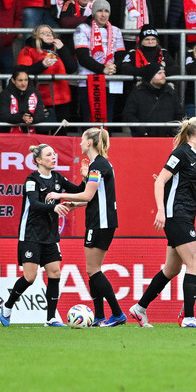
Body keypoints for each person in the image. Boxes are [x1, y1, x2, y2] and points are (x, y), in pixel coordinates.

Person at [128, 117, 196, 328]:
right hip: (176, 214)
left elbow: (186, 183)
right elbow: (161, 180)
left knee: (172, 269)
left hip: (184, 214)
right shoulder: (181, 152)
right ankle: (188, 318)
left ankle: (139, 308)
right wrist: (161, 210)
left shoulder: (195, 157)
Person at [44, 128, 126, 327]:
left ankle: (117, 313)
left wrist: (59, 196)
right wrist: (75, 204)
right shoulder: (97, 166)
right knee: (92, 270)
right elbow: (94, 198)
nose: (80, 143)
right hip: (99, 221)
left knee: (93, 270)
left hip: (101, 223)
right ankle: (99, 316)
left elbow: (87, 195)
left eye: (82, 139)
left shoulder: (98, 166)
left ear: (90, 142)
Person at [0, 143, 81, 327]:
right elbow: (35, 204)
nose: (54, 157)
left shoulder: (58, 178)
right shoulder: (32, 180)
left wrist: (87, 178)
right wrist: (55, 205)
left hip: (50, 235)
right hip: (30, 234)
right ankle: (8, 306)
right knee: (30, 277)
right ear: (38, 160)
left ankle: (50, 318)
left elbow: (78, 190)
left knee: (55, 273)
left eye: (54, 154)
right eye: (49, 155)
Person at [73, 0, 124, 121]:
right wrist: (103, 69)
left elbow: (121, 55)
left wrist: (113, 68)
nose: (103, 14)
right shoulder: (83, 29)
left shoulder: (116, 31)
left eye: (106, 11)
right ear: (93, 13)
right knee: (90, 119)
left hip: (110, 80)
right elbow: (82, 57)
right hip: (88, 81)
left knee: (107, 118)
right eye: (100, 11)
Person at [124, 63, 185, 136]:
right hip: (143, 139)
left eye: (164, 73)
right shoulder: (137, 93)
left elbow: (180, 114)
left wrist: (172, 130)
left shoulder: (170, 92)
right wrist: (142, 131)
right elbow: (128, 114)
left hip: (167, 139)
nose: (163, 76)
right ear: (150, 76)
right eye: (159, 73)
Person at [0, 68, 45, 133]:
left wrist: (31, 119)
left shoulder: (36, 93)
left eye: (26, 80)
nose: (24, 83)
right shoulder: (5, 94)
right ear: (13, 80)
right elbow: (4, 116)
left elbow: (41, 116)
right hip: (9, 136)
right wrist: (21, 118)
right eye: (20, 80)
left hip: (33, 136)